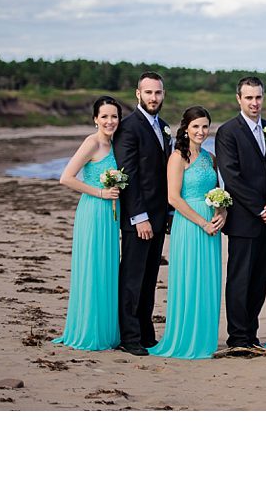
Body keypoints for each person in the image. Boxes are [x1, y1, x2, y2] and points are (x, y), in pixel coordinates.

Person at [149, 107, 225, 359]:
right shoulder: (177, 157)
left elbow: (218, 192)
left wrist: (221, 214)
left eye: (205, 126)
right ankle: (184, 338)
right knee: (189, 278)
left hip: (211, 226)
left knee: (207, 280)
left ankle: (205, 339)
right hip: (189, 224)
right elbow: (173, 197)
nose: (201, 131)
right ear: (185, 129)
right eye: (196, 127)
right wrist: (201, 223)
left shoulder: (210, 158)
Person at [215, 76, 266, 350]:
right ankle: (238, 337)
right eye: (249, 98)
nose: (254, 103)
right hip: (244, 220)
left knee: (259, 281)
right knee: (240, 279)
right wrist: (259, 208)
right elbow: (231, 177)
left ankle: (252, 334)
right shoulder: (228, 132)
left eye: (258, 97)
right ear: (239, 99)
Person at [53, 96, 123, 351]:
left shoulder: (116, 144)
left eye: (114, 116)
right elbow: (66, 178)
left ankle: (107, 331)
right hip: (93, 212)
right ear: (95, 119)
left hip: (110, 216)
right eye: (104, 116)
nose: (109, 121)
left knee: (107, 269)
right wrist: (101, 193)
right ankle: (89, 331)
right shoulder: (91, 143)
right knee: (93, 269)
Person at [113, 71, 172, 356]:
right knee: (133, 278)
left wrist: (168, 212)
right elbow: (129, 176)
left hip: (160, 216)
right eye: (148, 92)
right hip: (140, 219)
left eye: (158, 93)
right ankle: (130, 336)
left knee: (150, 279)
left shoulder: (164, 126)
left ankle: (147, 333)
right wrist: (139, 217)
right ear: (138, 94)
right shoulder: (129, 127)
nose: (153, 97)